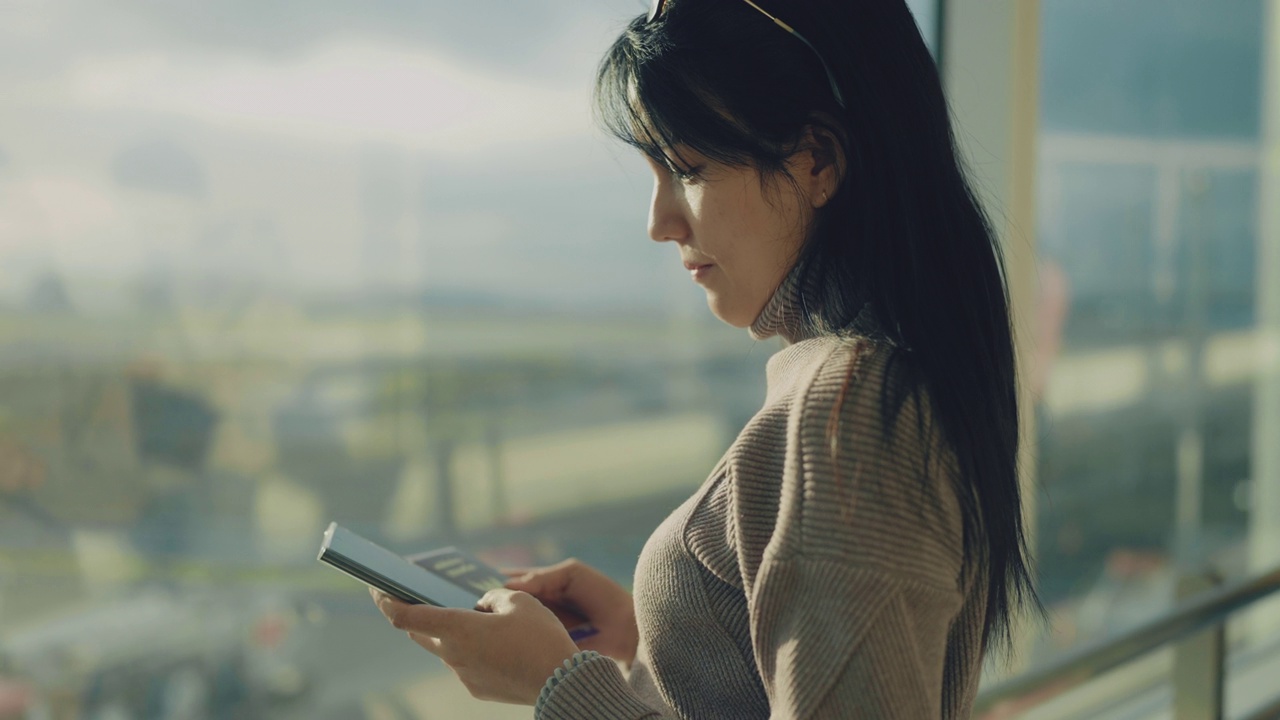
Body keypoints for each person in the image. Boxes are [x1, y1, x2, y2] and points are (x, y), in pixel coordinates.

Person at [371, 0, 1039, 716]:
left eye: (686, 168)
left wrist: (557, 688)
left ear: (818, 160)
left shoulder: (849, 414)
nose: (658, 222)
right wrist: (660, 634)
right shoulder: (866, 391)